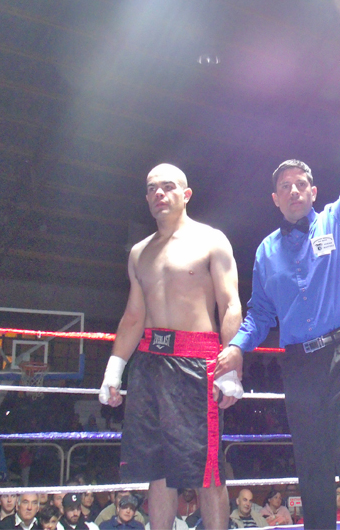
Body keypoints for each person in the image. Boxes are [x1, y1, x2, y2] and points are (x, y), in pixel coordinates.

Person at [213, 71, 340, 529]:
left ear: (313, 191)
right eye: (285, 185)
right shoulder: (265, 251)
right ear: (275, 198)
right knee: (311, 463)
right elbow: (259, 314)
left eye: (301, 183)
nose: (294, 190)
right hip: (297, 363)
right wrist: (238, 347)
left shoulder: (339, 219)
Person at [98, 164, 242, 530]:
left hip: (197, 361)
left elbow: (230, 304)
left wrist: (230, 367)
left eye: (167, 186)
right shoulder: (139, 252)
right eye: (152, 188)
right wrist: (114, 369)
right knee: (157, 470)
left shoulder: (211, 240)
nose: (159, 194)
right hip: (149, 362)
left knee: (207, 472)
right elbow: (133, 316)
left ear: (186, 194)